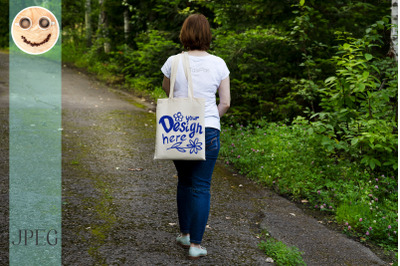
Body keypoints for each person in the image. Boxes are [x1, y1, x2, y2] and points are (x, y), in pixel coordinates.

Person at [160, 14, 230, 260]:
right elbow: (226, 103)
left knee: (184, 181)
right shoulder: (219, 64)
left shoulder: (173, 61)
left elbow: (169, 92)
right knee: (202, 186)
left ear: (185, 34)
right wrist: (212, 119)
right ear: (207, 35)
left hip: (180, 128)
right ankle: (196, 246)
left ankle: (185, 234)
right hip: (209, 128)